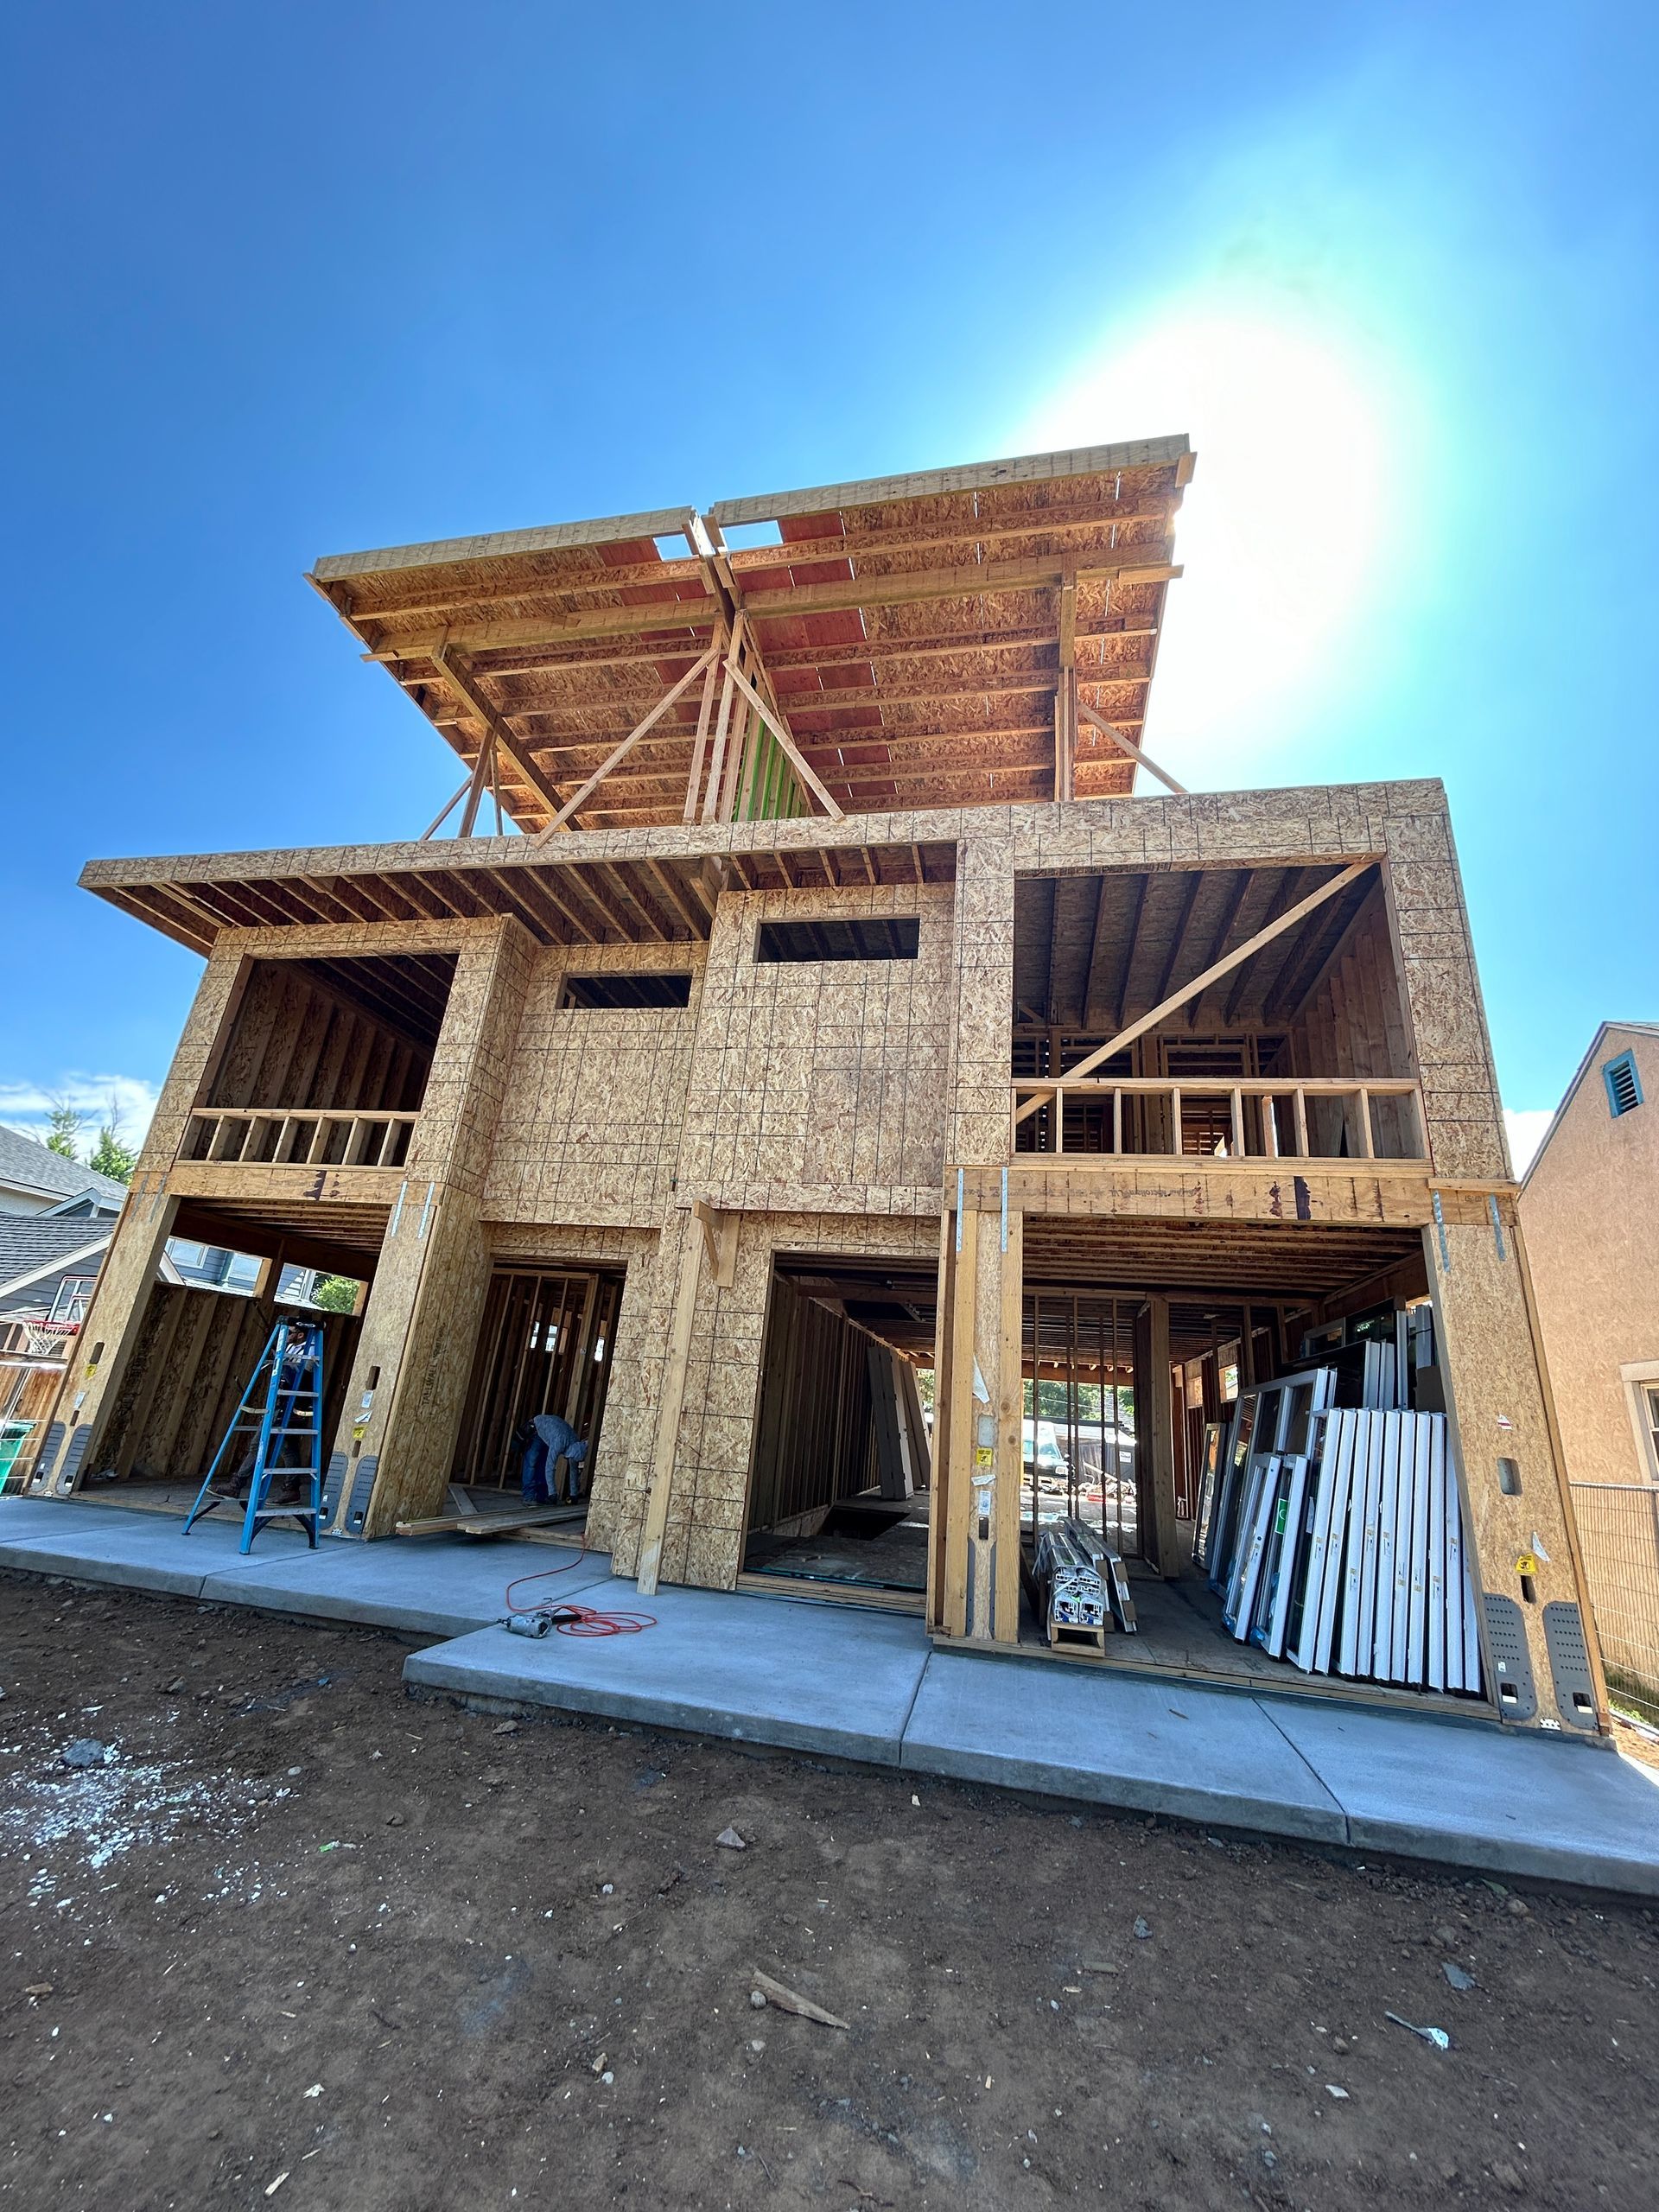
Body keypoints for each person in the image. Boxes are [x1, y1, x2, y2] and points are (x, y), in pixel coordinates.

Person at [518, 1411, 589, 1505]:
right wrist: (553, 1494)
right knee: (532, 1462)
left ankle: (541, 1497)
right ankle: (528, 1497)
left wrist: (574, 1494)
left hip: (550, 1432)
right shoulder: (559, 1443)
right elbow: (550, 1467)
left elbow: (574, 1470)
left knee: (542, 1463)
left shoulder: (575, 1443)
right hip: (537, 1427)